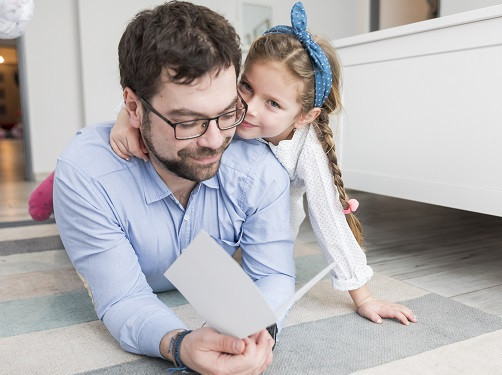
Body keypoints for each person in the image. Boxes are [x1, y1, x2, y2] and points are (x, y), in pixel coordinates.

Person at [111, 2, 417, 326]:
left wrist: (364, 297)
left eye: (272, 103)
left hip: (264, 233)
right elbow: (172, 101)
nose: (250, 108)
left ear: (303, 116)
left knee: (243, 292)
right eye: (246, 87)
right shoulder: (227, 110)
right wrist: (123, 118)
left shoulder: (308, 154)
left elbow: (330, 221)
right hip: (215, 214)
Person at [53, 2, 294, 374]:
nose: (216, 140)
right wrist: (180, 345)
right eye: (188, 121)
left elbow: (274, 274)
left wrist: (257, 330)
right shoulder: (87, 176)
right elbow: (123, 298)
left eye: (229, 113)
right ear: (133, 107)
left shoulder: (258, 169)